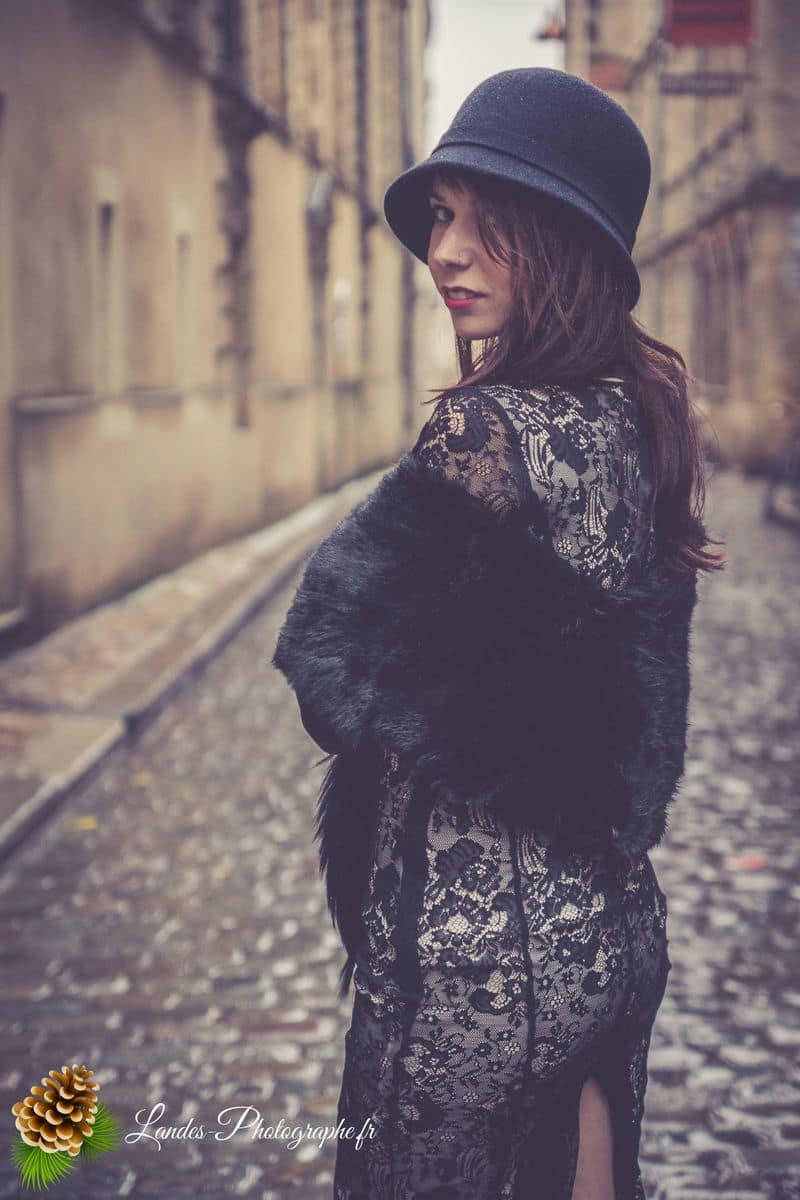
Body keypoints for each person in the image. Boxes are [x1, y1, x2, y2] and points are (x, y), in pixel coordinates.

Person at [272, 67, 724, 1200]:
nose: (447, 253)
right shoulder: (637, 419)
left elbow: (329, 662)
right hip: (610, 935)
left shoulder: (485, 427)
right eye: (440, 217)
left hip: (463, 967)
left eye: (490, 223)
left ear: (564, 244)